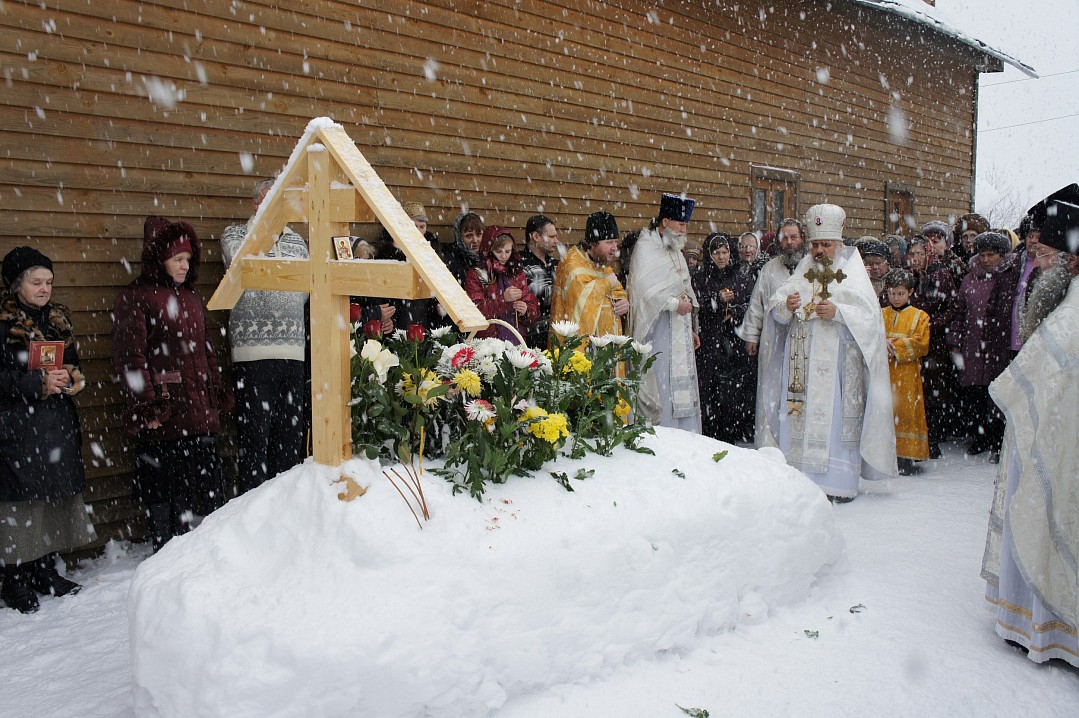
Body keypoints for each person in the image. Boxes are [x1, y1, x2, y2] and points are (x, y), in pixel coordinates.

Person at [982, 198, 1079, 668]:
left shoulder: (1072, 309)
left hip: (1059, 436)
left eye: (1041, 256)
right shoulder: (1066, 298)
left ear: (1071, 259)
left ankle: (1046, 624)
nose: (1035, 267)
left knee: (1049, 512)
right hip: (1048, 430)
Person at [756, 204, 896, 501]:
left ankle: (837, 483)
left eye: (826, 244)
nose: (819, 250)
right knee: (799, 418)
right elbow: (775, 311)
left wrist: (839, 312)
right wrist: (786, 307)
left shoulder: (852, 272)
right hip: (801, 366)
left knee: (833, 422)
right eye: (815, 244)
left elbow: (870, 320)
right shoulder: (803, 270)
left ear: (838, 244)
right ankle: (800, 480)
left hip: (838, 367)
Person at [113, 217, 232, 552]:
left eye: (188, 259)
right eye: (178, 259)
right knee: (165, 487)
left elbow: (207, 351)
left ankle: (204, 552)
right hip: (166, 412)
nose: (185, 265)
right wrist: (146, 406)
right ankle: (165, 551)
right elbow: (130, 358)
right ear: (159, 259)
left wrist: (214, 391)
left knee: (203, 484)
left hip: (199, 411)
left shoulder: (191, 297)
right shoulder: (136, 297)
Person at [0, 247, 95, 613]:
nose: (44, 289)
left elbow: (73, 363)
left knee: (52, 500)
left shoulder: (58, 319)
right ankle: (14, 579)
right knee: (21, 505)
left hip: (55, 424)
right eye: (36, 282)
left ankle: (45, 570)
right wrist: (35, 383)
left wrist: (70, 378)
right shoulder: (3, 322)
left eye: (49, 282)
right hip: (17, 426)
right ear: (16, 284)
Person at [220, 178, 309, 496]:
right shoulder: (235, 235)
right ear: (255, 204)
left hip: (293, 352)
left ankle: (284, 506)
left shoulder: (298, 242)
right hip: (253, 353)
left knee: (289, 439)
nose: (274, 209)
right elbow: (243, 268)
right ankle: (254, 508)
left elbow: (305, 289)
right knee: (255, 439)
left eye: (279, 203)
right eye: (268, 202)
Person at [628, 193, 701, 431]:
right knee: (661, 382)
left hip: (679, 330)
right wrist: (673, 304)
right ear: (666, 222)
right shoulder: (646, 247)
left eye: (686, 225)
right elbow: (643, 292)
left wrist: (691, 328)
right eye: (681, 224)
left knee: (681, 389)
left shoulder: (675, 248)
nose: (684, 230)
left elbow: (684, 287)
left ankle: (685, 434)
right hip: (656, 331)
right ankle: (665, 432)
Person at [946, 231, 1018, 461]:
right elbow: (960, 311)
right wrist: (955, 340)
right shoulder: (970, 279)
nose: (986, 260)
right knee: (975, 392)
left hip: (998, 343)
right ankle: (980, 436)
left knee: (996, 392)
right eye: (982, 255)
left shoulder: (1008, 277)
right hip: (973, 342)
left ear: (1002, 255)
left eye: (991, 255)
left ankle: (998, 440)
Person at [738, 218, 807, 445]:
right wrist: (752, 335)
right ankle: (770, 442)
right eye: (784, 238)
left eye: (793, 237)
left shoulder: (811, 268)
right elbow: (757, 304)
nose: (789, 242)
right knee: (772, 390)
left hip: (804, 343)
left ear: (802, 239)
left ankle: (796, 443)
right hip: (774, 340)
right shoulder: (770, 268)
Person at [693, 232, 755, 443]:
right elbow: (697, 305)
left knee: (733, 394)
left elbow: (752, 305)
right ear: (709, 255)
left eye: (725, 252)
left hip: (734, 343)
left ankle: (731, 436)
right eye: (716, 253)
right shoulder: (701, 278)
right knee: (709, 392)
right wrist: (716, 299)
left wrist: (735, 311)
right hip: (709, 343)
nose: (721, 257)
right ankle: (708, 437)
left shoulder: (740, 277)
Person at [905, 236, 957, 460]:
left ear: (928, 254)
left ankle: (932, 440)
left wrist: (929, 325)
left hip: (934, 341)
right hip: (914, 339)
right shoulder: (911, 276)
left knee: (933, 391)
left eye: (920, 254)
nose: (915, 258)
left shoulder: (939, 275)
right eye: (912, 254)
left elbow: (945, 307)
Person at [549, 211, 629, 340]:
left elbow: (617, 291)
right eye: (609, 242)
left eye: (615, 241)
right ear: (593, 243)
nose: (615, 247)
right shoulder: (572, 265)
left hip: (604, 343)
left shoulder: (602, 264)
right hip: (580, 344)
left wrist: (623, 302)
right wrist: (606, 283)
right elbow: (579, 303)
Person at [882, 270, 930, 475]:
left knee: (906, 411)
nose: (896, 298)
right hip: (884, 373)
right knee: (885, 410)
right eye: (892, 293)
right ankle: (885, 454)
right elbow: (871, 335)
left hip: (907, 373)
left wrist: (895, 347)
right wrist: (881, 342)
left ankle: (906, 456)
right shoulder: (880, 314)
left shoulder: (920, 316)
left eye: (900, 293)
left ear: (910, 292)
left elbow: (921, 344)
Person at [464, 226, 539, 345]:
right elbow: (475, 312)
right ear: (488, 250)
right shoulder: (476, 275)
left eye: (508, 251)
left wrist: (526, 311)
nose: (504, 256)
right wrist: (503, 299)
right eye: (499, 252)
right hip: (487, 344)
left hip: (516, 340)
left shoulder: (516, 273)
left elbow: (532, 306)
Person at [520, 214, 562, 350]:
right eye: (551, 236)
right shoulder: (520, 265)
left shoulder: (557, 264)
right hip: (532, 339)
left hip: (557, 336)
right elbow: (539, 298)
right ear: (536, 236)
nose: (556, 241)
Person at [444, 212, 485, 286]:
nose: (475, 240)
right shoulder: (451, 257)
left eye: (479, 234)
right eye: (469, 236)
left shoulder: (491, 254)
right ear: (459, 237)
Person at [857, 238, 891, 303]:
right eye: (870, 263)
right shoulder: (859, 278)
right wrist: (864, 280)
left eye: (878, 263)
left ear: (887, 263)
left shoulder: (894, 276)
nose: (875, 267)